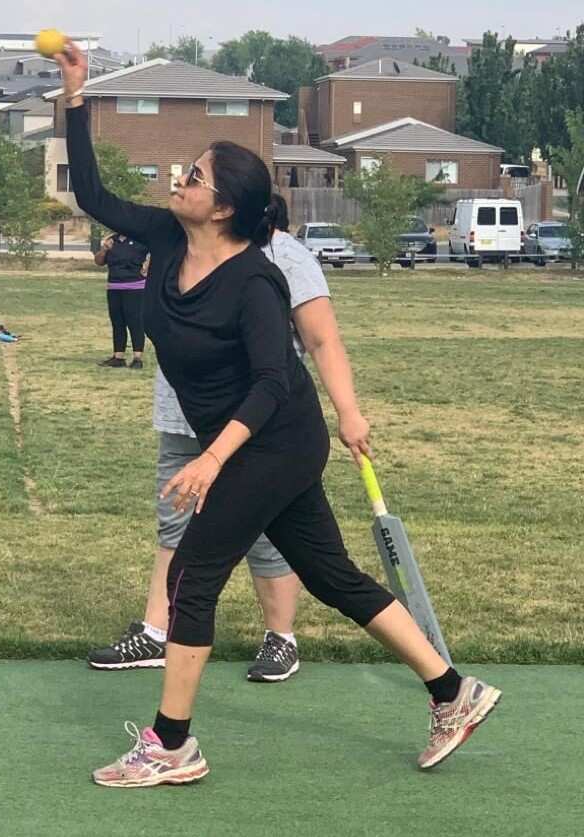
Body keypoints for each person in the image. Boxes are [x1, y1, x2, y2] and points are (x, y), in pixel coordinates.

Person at [55, 41, 501, 789]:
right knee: (329, 573)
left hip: (274, 438)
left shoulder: (256, 280)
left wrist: (211, 457)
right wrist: (76, 95)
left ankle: (172, 744)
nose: (179, 178)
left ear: (223, 204)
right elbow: (94, 196)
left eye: (192, 175)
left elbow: (270, 382)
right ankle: (455, 692)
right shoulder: (167, 239)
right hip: (252, 443)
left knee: (196, 571)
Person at [87, 195, 370, 684]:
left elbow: (322, 341)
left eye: (202, 181)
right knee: (174, 527)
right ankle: (158, 631)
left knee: (268, 536)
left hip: (254, 428)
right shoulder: (181, 245)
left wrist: (348, 412)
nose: (183, 188)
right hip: (184, 419)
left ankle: (280, 638)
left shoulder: (284, 259)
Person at [93, 232, 149, 369]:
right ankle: (118, 357)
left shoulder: (140, 239)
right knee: (118, 322)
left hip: (135, 287)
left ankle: (137, 358)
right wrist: (104, 249)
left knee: (135, 322)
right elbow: (99, 262)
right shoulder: (111, 241)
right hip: (114, 287)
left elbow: (159, 251)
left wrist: (148, 266)